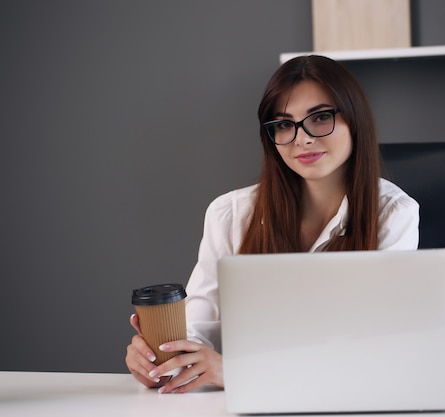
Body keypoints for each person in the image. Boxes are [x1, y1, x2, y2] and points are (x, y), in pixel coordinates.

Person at [125, 55, 419, 394]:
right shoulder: (231, 213)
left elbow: (376, 348)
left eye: (321, 117)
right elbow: (199, 325)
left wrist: (240, 372)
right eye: (283, 124)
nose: (302, 139)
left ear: (355, 120)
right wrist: (164, 357)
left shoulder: (394, 214)